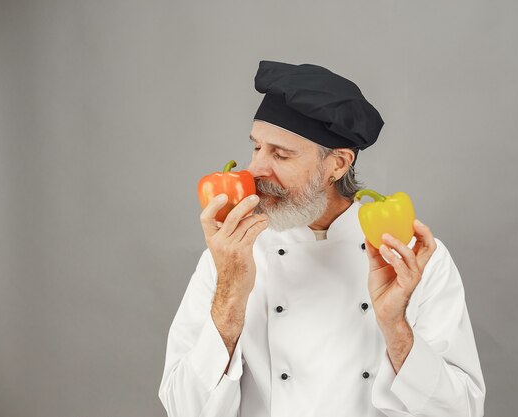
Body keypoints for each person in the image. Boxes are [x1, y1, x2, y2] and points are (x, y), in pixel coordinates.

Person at [158, 60, 486, 417]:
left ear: (338, 164)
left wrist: (395, 326)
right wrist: (231, 296)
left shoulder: (414, 257)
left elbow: (461, 411)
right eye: (256, 148)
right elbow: (183, 409)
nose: (254, 171)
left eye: (281, 154)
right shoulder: (230, 254)